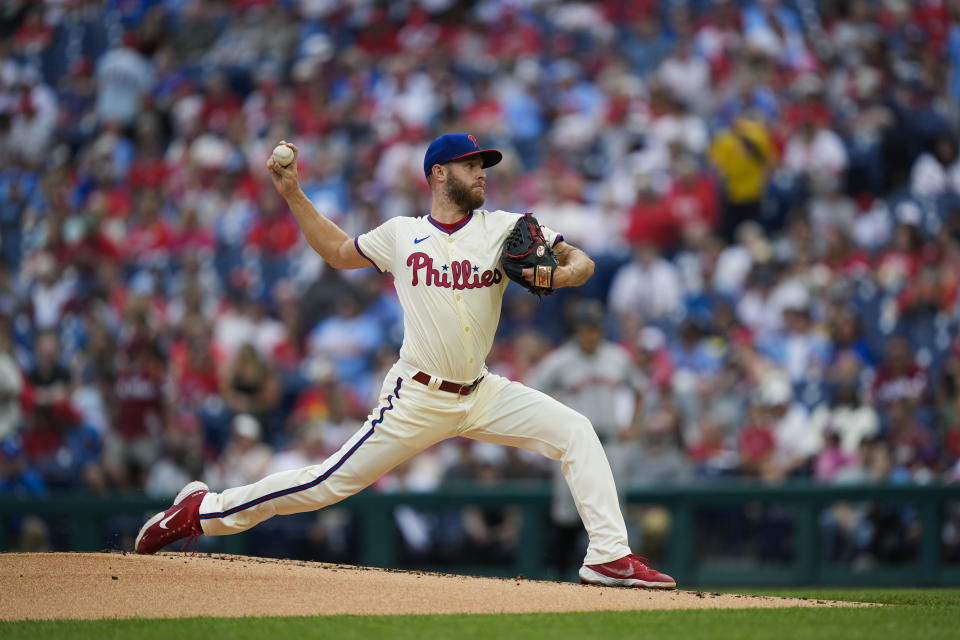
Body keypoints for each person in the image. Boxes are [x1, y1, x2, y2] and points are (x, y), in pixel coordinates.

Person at [134, 132, 675, 589]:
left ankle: (607, 556)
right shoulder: (402, 234)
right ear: (439, 174)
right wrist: (295, 193)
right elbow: (337, 252)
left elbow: (577, 258)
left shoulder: (504, 227)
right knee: (325, 484)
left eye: (483, 164)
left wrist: (568, 272)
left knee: (576, 430)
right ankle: (201, 511)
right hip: (416, 395)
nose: (482, 173)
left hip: (482, 391)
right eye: (471, 165)